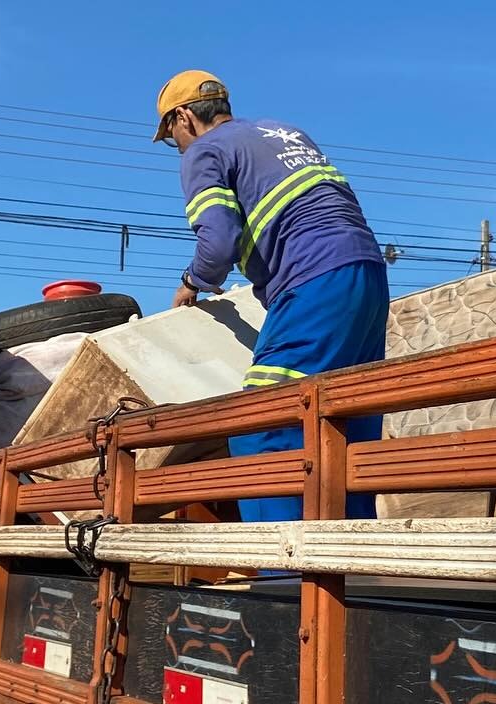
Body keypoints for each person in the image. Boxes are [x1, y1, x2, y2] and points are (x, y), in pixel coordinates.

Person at [155, 71, 388, 520]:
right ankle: (353, 571)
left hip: (313, 279)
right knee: (346, 424)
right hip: (367, 275)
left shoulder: (206, 149)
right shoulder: (282, 131)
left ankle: (280, 581)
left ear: (184, 117)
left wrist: (192, 283)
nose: (178, 148)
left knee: (262, 422)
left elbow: (218, 240)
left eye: (172, 138)